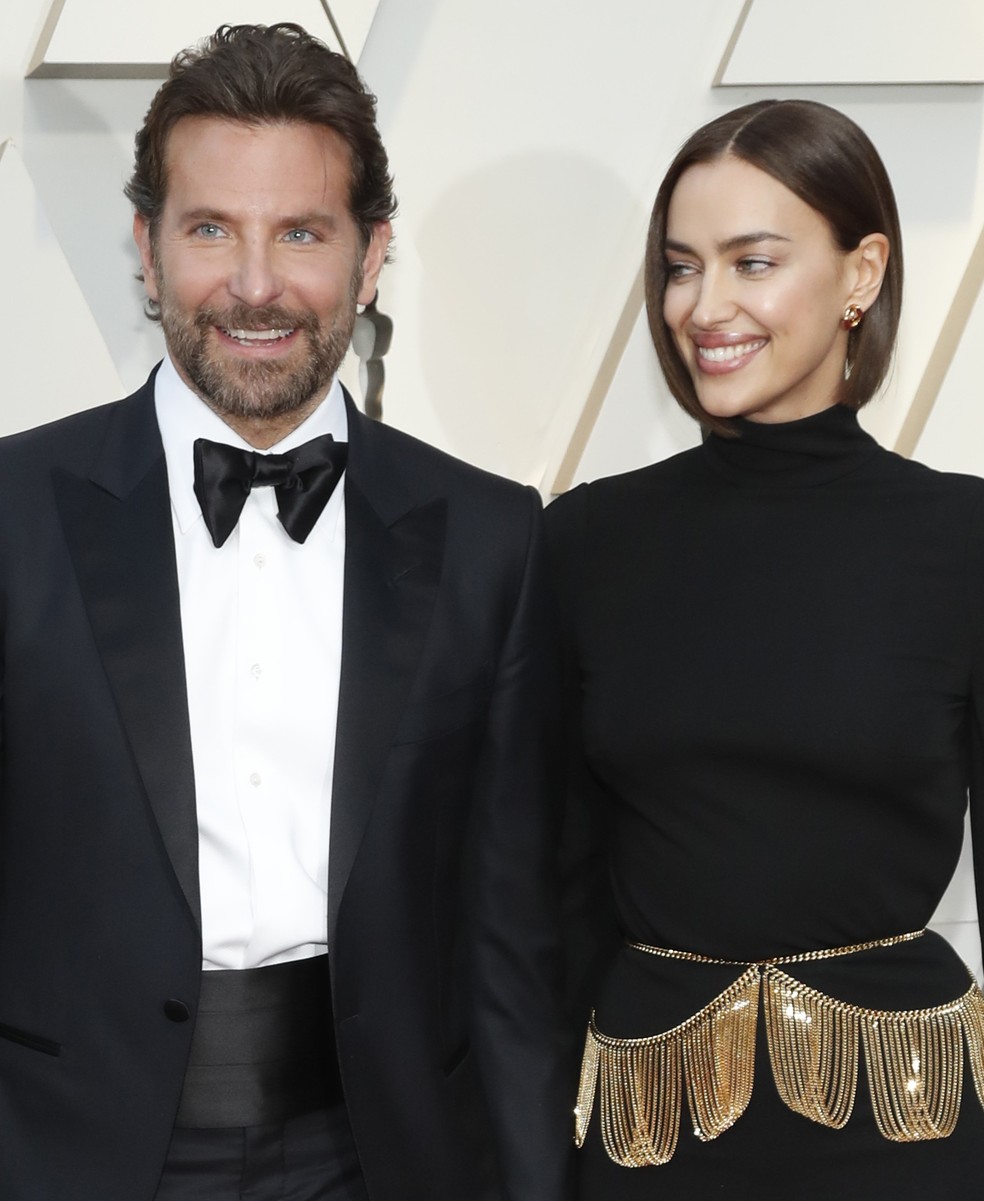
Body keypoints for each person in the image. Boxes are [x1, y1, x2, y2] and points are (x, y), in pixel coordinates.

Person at [0, 23, 573, 1201]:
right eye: (211, 228)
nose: (254, 286)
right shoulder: (10, 515)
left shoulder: (490, 538)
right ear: (148, 251)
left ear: (370, 260)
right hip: (67, 1155)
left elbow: (512, 950)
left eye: (300, 233)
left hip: (383, 1156)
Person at [545, 98, 984, 1200]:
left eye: (753, 261)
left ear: (860, 275)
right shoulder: (585, 539)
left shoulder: (962, 540)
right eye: (682, 266)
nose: (705, 306)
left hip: (909, 1131)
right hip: (653, 1131)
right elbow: (541, 880)